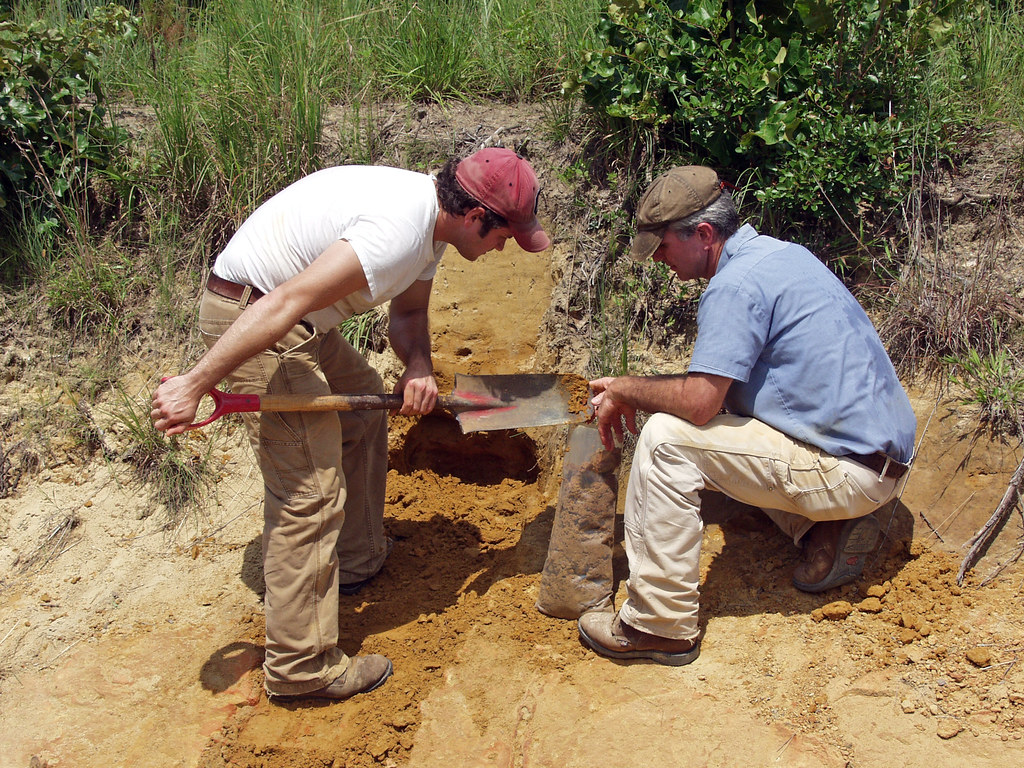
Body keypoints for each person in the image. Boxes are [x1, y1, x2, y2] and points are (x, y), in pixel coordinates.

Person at [151, 148, 550, 700]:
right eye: (504, 234)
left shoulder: (433, 227)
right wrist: (194, 384)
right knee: (309, 494)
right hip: (257, 318)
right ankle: (300, 667)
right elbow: (286, 302)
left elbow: (408, 316)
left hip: (298, 319)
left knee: (361, 413)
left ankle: (355, 557)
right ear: (477, 216)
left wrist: (418, 366)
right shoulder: (398, 232)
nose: (506, 246)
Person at [577, 166, 916, 667]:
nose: (661, 261)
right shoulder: (781, 255)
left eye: (664, 247)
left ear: (705, 234)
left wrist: (627, 388)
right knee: (721, 422)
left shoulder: (735, 287)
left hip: (851, 469)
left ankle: (658, 625)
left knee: (667, 439)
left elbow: (697, 402)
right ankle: (824, 528)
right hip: (879, 455)